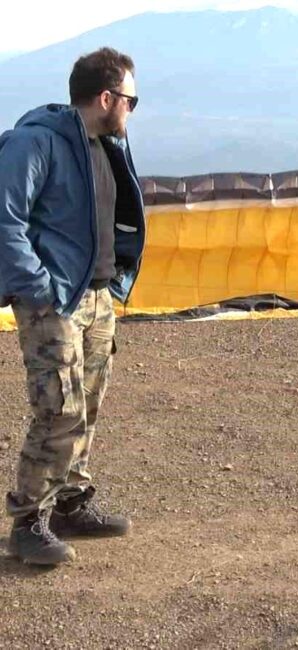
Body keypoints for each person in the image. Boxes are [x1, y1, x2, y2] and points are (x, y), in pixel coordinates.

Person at [0, 47, 146, 566]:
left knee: (86, 405)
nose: (132, 108)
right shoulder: (35, 142)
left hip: (98, 294)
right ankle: (29, 522)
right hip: (54, 300)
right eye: (131, 98)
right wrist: (37, 287)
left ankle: (70, 503)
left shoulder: (103, 144)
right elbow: (5, 220)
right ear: (106, 97)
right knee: (57, 408)